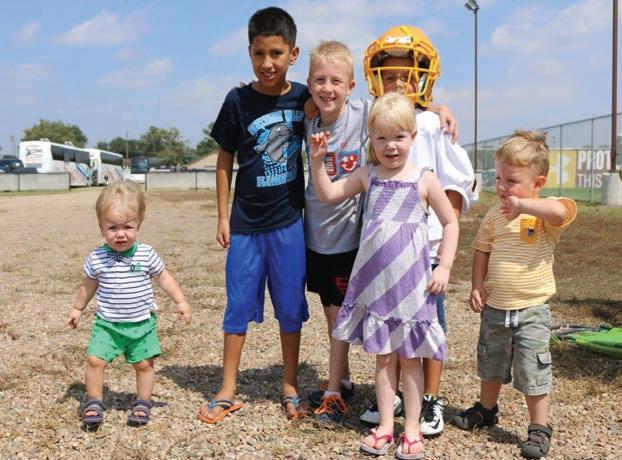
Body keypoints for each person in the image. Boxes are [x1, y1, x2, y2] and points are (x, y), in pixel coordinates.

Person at [303, 40, 460, 426]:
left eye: (399, 137)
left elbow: (451, 221)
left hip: (414, 279)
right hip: (379, 279)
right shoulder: (369, 174)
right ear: (370, 139)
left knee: (413, 352)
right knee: (385, 353)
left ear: (413, 137)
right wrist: (318, 162)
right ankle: (389, 419)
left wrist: (445, 266)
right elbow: (328, 193)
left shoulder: (424, 178)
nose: (390, 145)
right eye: (382, 139)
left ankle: (415, 422)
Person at [358, 25, 478, 438]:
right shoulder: (378, 121)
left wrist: (444, 247)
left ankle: (431, 397)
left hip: (423, 251)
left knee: (429, 326)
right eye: (389, 75)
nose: (396, 83)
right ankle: (393, 397)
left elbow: (455, 187)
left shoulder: (430, 124)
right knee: (390, 326)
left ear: (422, 77)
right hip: (387, 253)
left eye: (404, 75)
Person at [197, 6, 310, 423]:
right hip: (245, 224)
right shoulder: (237, 100)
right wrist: (222, 216)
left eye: (276, 53)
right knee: (238, 305)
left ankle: (290, 384)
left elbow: (347, 106)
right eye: (259, 53)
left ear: (293, 54)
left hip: (289, 223)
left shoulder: (305, 98)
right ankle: (227, 388)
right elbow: (224, 159)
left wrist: (438, 109)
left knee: (290, 306)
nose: (267, 63)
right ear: (249, 52)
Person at [452, 131, 577, 460]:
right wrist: (476, 285)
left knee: (533, 368)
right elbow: (481, 251)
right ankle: (486, 409)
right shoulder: (494, 216)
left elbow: (562, 211)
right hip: (496, 308)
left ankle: (539, 426)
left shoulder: (543, 215)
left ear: (538, 183)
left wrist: (523, 206)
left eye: (512, 180)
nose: (502, 187)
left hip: (531, 311)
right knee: (490, 362)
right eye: (498, 178)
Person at [67, 180, 192, 428]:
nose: (120, 234)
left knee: (144, 365)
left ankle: (143, 402)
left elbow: (164, 278)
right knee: (95, 361)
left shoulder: (146, 254)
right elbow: (88, 286)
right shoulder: (97, 258)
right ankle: (94, 402)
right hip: (107, 324)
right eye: (112, 227)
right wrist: (77, 308)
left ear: (138, 225)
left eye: (128, 227)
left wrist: (181, 301)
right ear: (101, 228)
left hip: (141, 324)